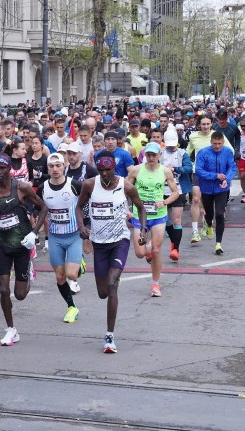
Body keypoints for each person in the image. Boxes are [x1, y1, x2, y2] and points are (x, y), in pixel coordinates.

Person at [75, 151, 146, 354]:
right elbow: (78, 207)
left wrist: (143, 230)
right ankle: (112, 277)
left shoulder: (126, 186)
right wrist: (82, 226)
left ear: (114, 168)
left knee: (112, 284)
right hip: (99, 243)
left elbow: (141, 208)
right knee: (102, 292)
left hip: (119, 241)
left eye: (108, 170)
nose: (105, 173)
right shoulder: (90, 185)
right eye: (101, 170)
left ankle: (109, 337)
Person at [0, 153, 48, 347]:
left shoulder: (21, 187)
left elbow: (43, 208)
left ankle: (29, 272)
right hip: (2, 245)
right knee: (3, 289)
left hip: (22, 245)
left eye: (2, 168)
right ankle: (11, 329)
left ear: (9, 169)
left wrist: (34, 233)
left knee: (19, 295)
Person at [125, 142, 179, 297]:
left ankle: (155, 284)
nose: (151, 157)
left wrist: (165, 202)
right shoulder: (136, 170)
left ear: (159, 155)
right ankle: (147, 248)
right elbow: (123, 189)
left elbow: (175, 192)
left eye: (153, 155)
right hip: (139, 215)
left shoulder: (165, 171)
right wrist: (126, 209)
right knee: (139, 253)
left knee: (156, 250)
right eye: (148, 154)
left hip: (158, 215)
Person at [38, 153, 84, 323]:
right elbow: (38, 207)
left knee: (71, 274)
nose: (55, 169)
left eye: (58, 165)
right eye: (51, 166)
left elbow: (86, 203)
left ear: (64, 166)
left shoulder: (74, 185)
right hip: (55, 237)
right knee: (60, 276)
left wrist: (85, 225)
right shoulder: (43, 188)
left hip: (74, 236)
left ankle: (79, 263)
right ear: (47, 168)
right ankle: (71, 307)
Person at [195, 132, 237, 255]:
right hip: (206, 188)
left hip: (222, 188)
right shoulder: (203, 152)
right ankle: (208, 224)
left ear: (223, 142)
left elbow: (232, 167)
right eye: (215, 144)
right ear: (211, 142)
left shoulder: (228, 152)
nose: (217, 146)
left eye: (219, 144)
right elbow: (198, 170)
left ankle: (218, 244)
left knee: (219, 214)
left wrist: (227, 179)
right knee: (209, 214)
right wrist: (215, 176)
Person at [160, 129, 192, 261]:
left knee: (176, 220)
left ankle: (175, 249)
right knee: (166, 220)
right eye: (169, 144)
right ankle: (173, 242)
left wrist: (175, 169)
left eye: (173, 144)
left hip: (178, 190)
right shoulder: (160, 153)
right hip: (162, 191)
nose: (171, 146)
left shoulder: (182, 153)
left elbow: (189, 168)